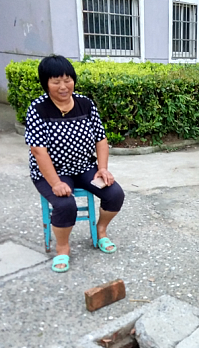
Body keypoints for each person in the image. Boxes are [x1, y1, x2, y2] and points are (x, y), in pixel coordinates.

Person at [24, 55, 125, 273]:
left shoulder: (85, 104)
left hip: (83, 167)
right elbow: (38, 151)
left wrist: (102, 168)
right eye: (56, 81)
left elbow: (101, 139)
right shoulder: (38, 109)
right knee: (64, 204)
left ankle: (101, 230)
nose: (63, 86)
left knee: (115, 193)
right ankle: (62, 248)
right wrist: (55, 183)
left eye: (67, 80)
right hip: (52, 172)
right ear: (45, 84)